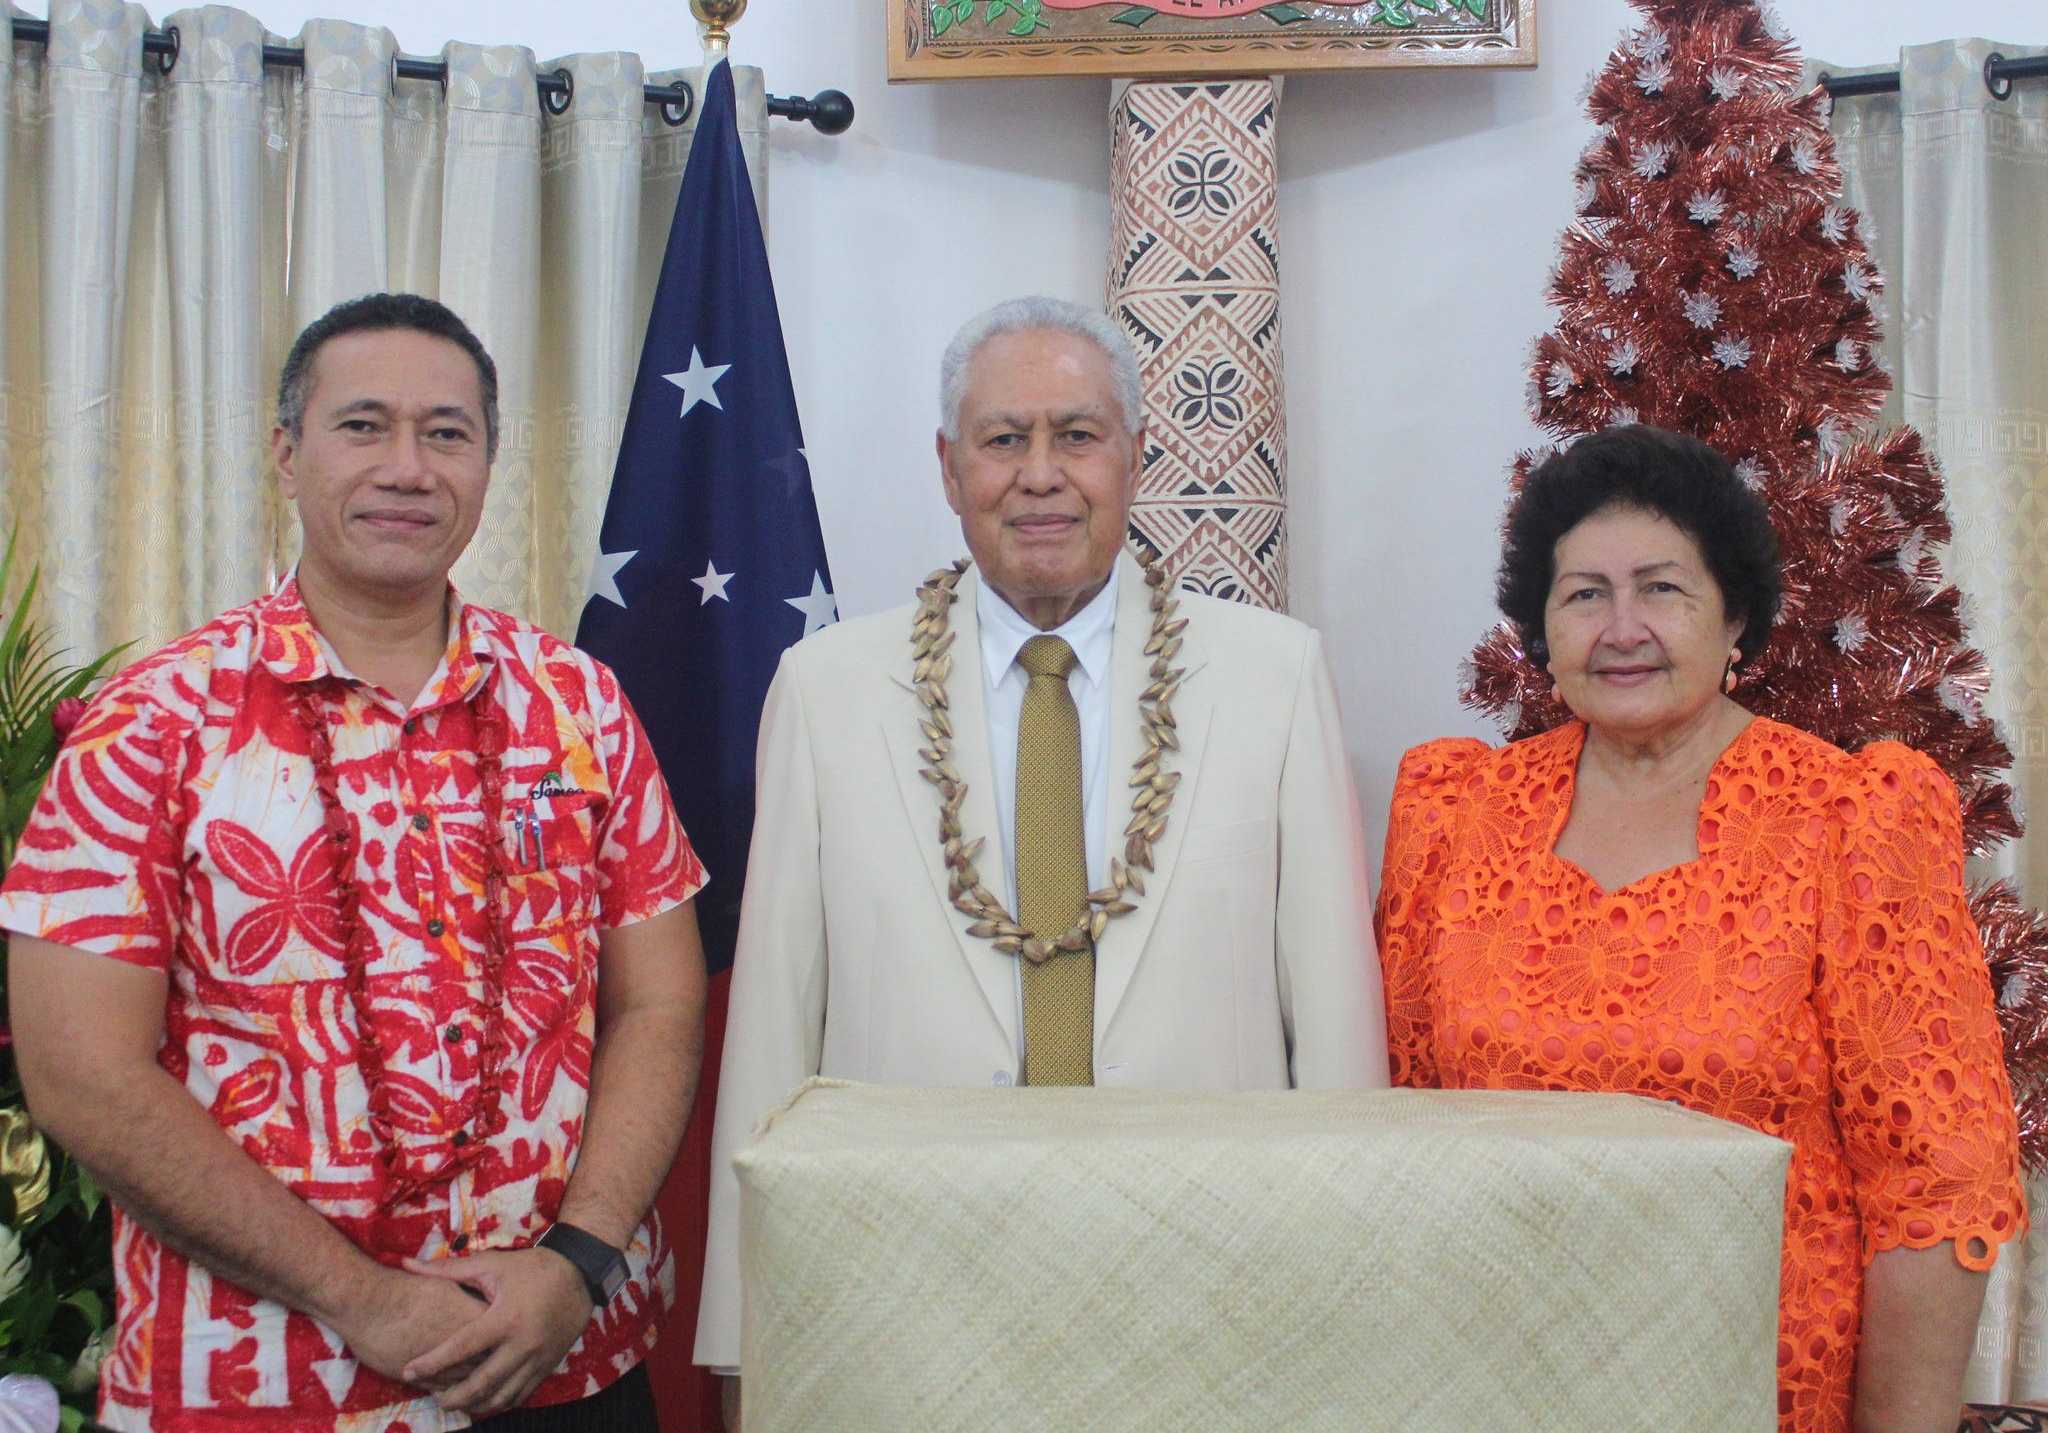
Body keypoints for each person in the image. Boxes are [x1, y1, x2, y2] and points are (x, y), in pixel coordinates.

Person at [2, 293, 709, 1432]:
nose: (407, 466)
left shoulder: (577, 704)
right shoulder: (155, 720)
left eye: (446, 432)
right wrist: (358, 1298)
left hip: (558, 1360)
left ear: (486, 463)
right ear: (286, 452)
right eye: (362, 424)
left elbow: (661, 999)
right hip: (260, 1380)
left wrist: (575, 1260)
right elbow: (81, 1068)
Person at [696, 296, 1388, 1415]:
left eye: (1075, 434)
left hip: (1213, 1295)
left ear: (1133, 453)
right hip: (903, 1301)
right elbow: (773, 1027)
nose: (1039, 473)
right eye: (1001, 438)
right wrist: (741, 1336)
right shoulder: (826, 688)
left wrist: (1352, 1301)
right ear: (946, 464)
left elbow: (1335, 1027)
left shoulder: (1273, 675)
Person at [1376, 424, 2025, 1433]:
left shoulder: (1850, 816)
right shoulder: (1455, 810)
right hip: (1485, 1384)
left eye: (1661, 588)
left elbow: (1931, 1186)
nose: (1619, 625)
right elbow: (1397, 1127)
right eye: (1582, 593)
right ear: (1540, 631)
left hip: (1759, 1393)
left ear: (1736, 621)